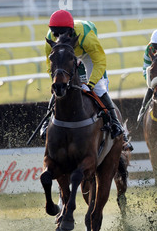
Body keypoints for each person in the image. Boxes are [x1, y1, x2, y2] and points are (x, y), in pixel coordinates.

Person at [41, 9, 126, 142]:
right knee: (59, 87)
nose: (59, 37)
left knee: (99, 88)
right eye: (56, 34)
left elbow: (100, 61)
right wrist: (56, 81)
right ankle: (46, 124)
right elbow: (50, 64)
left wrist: (90, 84)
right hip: (65, 56)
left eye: (63, 34)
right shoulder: (50, 39)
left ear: (71, 31)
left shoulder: (86, 36)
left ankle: (115, 123)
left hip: (87, 54)